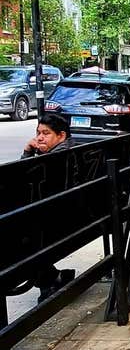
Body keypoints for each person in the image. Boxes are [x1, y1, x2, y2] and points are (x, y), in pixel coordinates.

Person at [20, 114, 76, 301]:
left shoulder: (55, 159)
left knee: (21, 239)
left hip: (57, 223)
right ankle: (53, 277)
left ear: (61, 136)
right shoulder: (66, 152)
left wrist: (28, 153)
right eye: (38, 133)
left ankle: (50, 279)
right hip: (74, 218)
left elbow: (21, 181)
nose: (39, 138)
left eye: (46, 133)